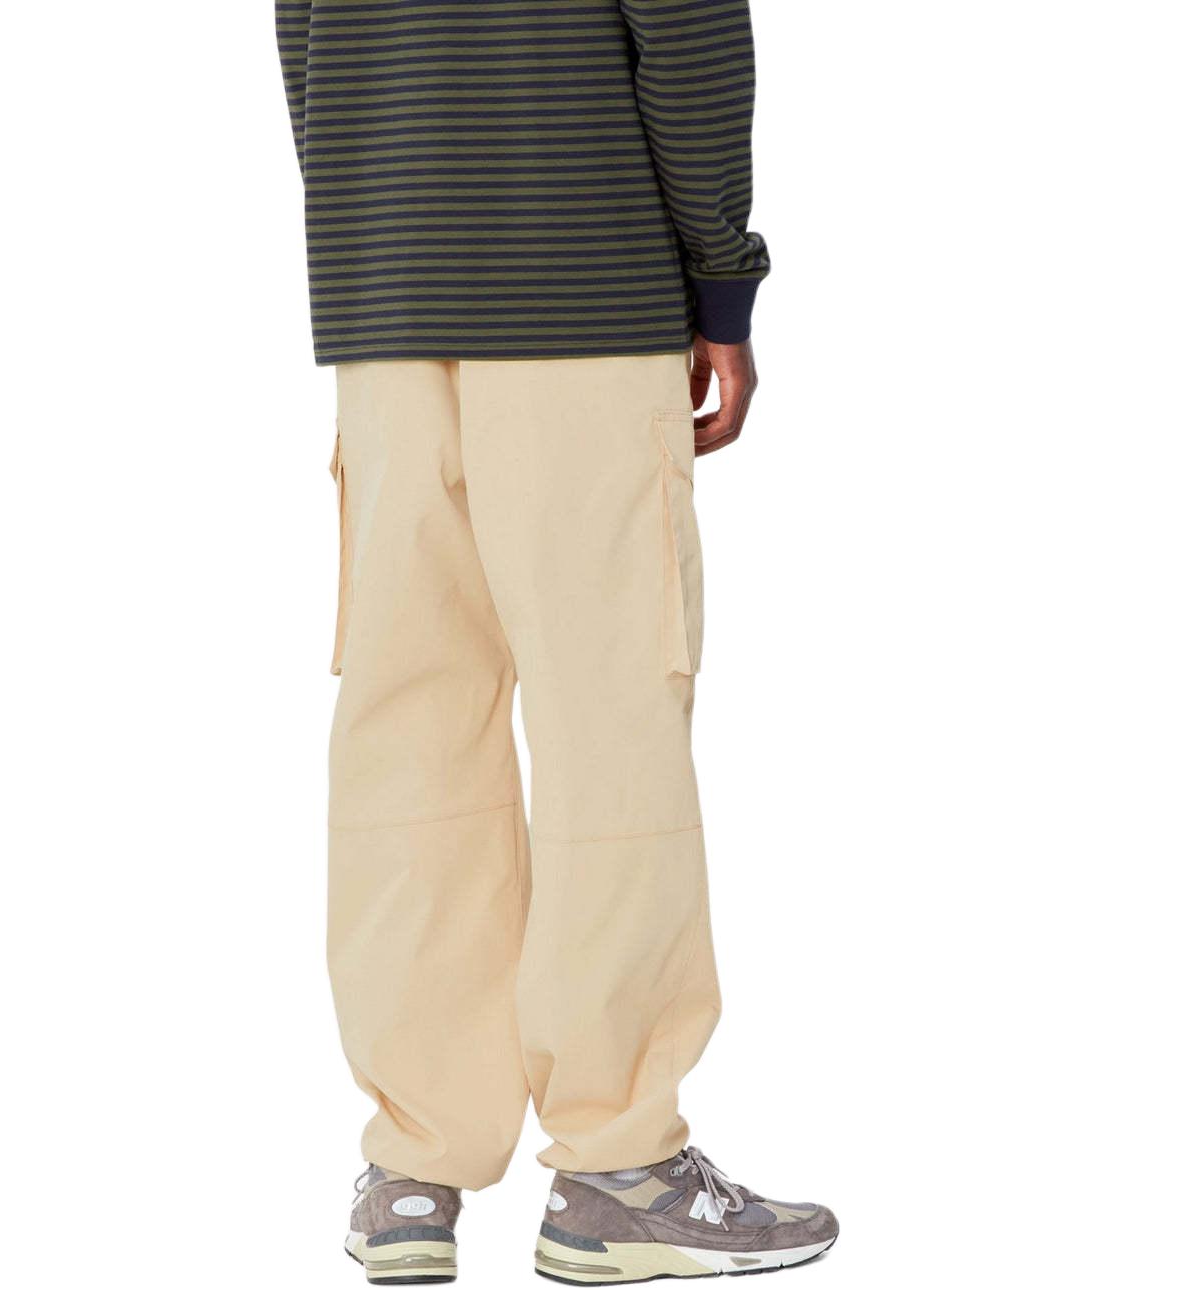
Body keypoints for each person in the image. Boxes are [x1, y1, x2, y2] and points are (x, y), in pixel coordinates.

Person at [276, 2, 838, 1282]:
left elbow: (299, 26)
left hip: (386, 297)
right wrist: (722, 280)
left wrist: (378, 213)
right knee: (610, 724)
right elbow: (688, 30)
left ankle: (413, 1169)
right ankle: (618, 1166)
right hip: (582, 289)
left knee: (412, 723)